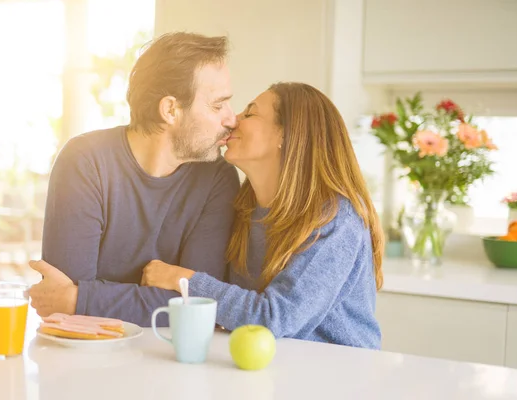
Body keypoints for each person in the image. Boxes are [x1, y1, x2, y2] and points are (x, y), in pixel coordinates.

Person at [141, 82, 384, 348]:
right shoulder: (244, 206)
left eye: (250, 113)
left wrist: (181, 279)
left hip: (340, 374)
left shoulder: (336, 219)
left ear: (286, 134)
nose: (234, 120)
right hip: (271, 365)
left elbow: (276, 318)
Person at [28, 32, 240, 327]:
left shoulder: (218, 177)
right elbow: (60, 301)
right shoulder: (85, 161)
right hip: (82, 353)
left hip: (171, 358)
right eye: (218, 106)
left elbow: (199, 306)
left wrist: (82, 298)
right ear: (170, 110)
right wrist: (74, 299)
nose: (232, 119)